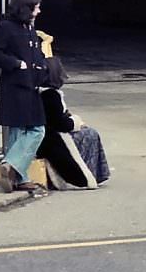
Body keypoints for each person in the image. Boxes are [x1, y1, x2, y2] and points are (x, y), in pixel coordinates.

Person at [0, 0, 49, 196]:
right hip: (15, 86)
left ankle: (16, 177)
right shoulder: (6, 28)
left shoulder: (29, 28)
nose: (39, 11)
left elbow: (35, 53)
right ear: (26, 8)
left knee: (19, 132)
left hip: (31, 85)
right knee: (36, 130)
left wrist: (42, 67)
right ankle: (12, 164)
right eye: (36, 7)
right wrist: (17, 64)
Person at [35, 49, 111, 190]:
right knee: (90, 134)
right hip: (53, 139)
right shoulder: (51, 96)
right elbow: (60, 124)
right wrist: (76, 122)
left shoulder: (42, 93)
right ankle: (93, 173)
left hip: (48, 136)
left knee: (87, 133)